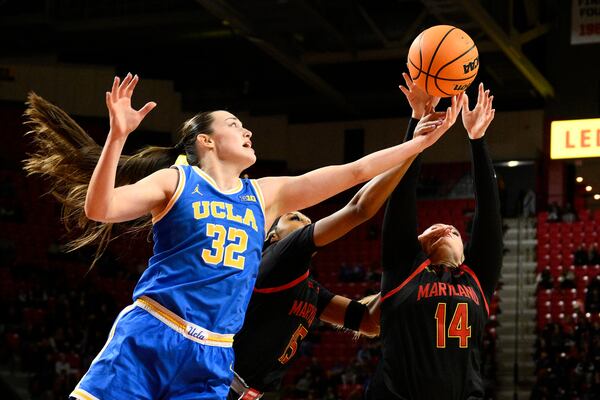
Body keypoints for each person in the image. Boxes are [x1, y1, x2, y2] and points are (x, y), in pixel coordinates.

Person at [23, 73, 457, 399]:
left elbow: (356, 174)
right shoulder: (176, 181)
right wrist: (117, 137)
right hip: (154, 331)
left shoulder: (265, 195)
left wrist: (419, 140)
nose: (247, 130)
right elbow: (100, 209)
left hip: (214, 355)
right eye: (235, 124)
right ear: (206, 141)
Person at [228, 80, 457, 399]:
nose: (306, 219)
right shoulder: (277, 259)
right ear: (272, 235)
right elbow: (360, 208)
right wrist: (414, 142)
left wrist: (414, 264)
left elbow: (368, 321)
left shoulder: (305, 286)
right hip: (223, 385)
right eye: (294, 216)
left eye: (306, 217)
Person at [365, 82, 502, 400]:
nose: (443, 228)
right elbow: (402, 197)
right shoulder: (404, 269)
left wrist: (477, 140)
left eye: (453, 230)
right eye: (431, 230)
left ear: (465, 254)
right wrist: (416, 131)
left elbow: (490, 214)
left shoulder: (476, 279)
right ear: (417, 247)